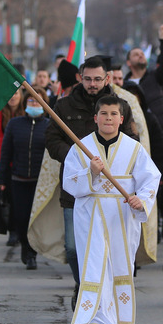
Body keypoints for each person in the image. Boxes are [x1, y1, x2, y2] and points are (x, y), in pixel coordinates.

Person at [63, 94, 161, 324]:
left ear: (121, 119)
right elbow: (69, 183)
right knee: (93, 271)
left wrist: (142, 200)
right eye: (103, 114)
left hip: (122, 217)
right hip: (91, 217)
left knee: (119, 268)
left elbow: (151, 178)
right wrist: (91, 173)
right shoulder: (81, 147)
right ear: (95, 118)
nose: (108, 118)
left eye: (113, 114)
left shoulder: (134, 149)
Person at [44, 56, 116, 307]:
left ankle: (101, 291)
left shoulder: (119, 106)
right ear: (80, 78)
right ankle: (83, 282)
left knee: (108, 248)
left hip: (109, 191)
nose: (93, 84)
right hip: (75, 190)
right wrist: (76, 157)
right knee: (74, 247)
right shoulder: (64, 107)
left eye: (98, 79)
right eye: (88, 79)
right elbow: (52, 141)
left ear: (107, 78)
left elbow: (131, 140)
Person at [0, 92, 50, 270]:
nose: (34, 103)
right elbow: (6, 153)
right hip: (18, 179)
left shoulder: (50, 126)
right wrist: (1, 178)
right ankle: (24, 245)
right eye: (31, 100)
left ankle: (31, 252)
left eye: (38, 100)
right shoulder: (15, 124)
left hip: (40, 182)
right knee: (21, 217)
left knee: (35, 219)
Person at [0, 88, 27, 246]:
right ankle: (12, 232)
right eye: (10, 93)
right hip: (2, 162)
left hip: (21, 161)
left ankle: (20, 230)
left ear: (21, 95)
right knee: (6, 199)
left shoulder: (26, 112)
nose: (13, 97)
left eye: (15, 93)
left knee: (18, 200)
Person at [124, 23, 163, 138]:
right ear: (128, 63)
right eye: (136, 55)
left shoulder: (154, 77)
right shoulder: (125, 86)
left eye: (142, 54)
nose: (141, 56)